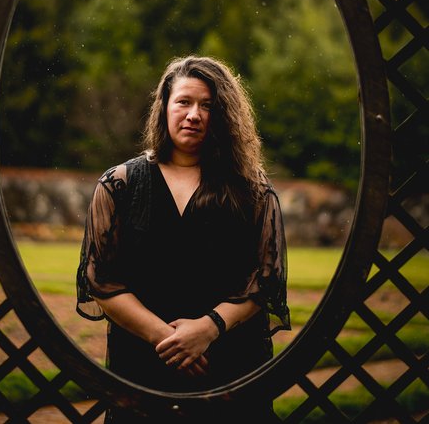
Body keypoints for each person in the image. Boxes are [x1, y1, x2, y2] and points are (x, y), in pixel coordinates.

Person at [75, 56, 290, 422]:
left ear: (223, 116)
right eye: (184, 102)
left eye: (208, 106)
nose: (194, 114)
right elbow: (101, 279)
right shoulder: (120, 184)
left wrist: (209, 328)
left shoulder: (252, 190)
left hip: (229, 369)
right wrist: (168, 339)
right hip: (143, 369)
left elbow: (266, 276)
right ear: (164, 107)